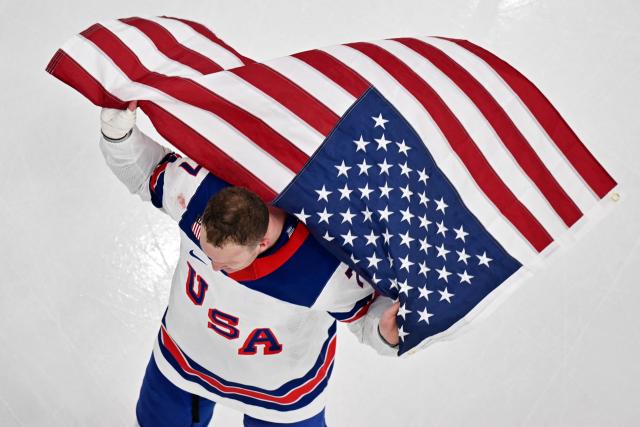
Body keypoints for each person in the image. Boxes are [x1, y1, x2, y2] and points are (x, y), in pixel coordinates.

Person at [99, 102, 400, 427]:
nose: (212, 269)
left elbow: (370, 319)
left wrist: (386, 333)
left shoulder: (328, 267)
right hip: (185, 357)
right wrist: (119, 136)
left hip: (283, 392)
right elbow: (146, 172)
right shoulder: (197, 195)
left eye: (225, 264)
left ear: (262, 244)